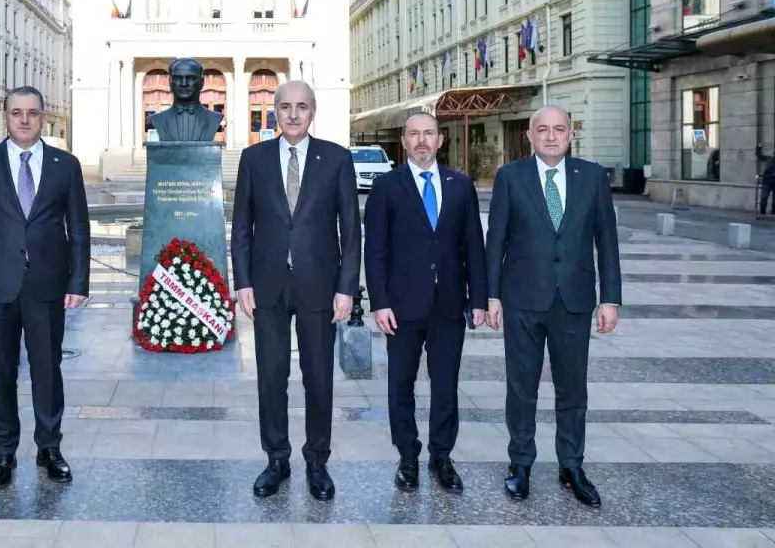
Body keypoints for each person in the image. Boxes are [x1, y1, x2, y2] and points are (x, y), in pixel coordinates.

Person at [0, 86, 90, 488]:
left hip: (48, 284)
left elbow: (78, 227)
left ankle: (50, 448)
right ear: (5, 116)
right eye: (16, 112)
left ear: (42, 116)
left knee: (48, 370)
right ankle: (4, 453)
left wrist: (78, 281)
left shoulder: (66, 165)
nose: (24, 119)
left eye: (32, 112)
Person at [485, 105, 622, 507]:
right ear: (529, 136)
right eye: (542, 130)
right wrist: (491, 296)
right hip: (523, 299)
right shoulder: (510, 177)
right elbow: (496, 241)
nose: (550, 136)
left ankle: (571, 466)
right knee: (521, 387)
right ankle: (521, 463)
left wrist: (610, 298)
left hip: (575, 301)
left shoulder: (593, 177)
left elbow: (607, 242)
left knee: (572, 389)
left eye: (558, 129)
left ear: (570, 135)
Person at [230, 80, 360, 501]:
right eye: (284, 106)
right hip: (267, 285)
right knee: (271, 376)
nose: (292, 114)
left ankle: (317, 461)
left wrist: (346, 288)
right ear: (274, 112)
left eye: (301, 106)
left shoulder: (336, 159)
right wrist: (243, 281)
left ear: (313, 111)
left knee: (319, 378)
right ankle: (277, 459)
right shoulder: (254, 159)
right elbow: (241, 229)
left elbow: (351, 230)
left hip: (320, 286)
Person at [364, 112, 488, 494]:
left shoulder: (461, 185)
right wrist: (379, 301)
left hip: (450, 303)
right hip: (400, 306)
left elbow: (473, 246)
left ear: (440, 140)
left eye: (428, 134)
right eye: (414, 135)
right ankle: (407, 456)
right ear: (403, 143)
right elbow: (376, 250)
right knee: (400, 384)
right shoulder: (387, 186)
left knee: (446, 384)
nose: (421, 141)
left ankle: (441, 456)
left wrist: (479, 299)